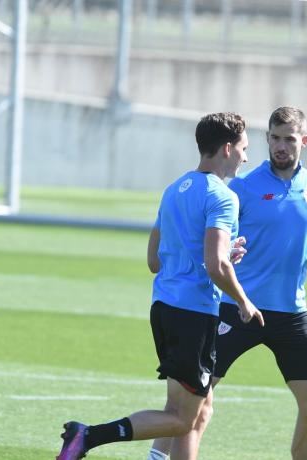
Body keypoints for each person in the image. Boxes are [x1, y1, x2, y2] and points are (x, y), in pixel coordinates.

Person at [149, 106, 307, 460]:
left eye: (289, 139)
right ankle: (157, 456)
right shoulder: (241, 187)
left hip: (290, 312)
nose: (280, 146)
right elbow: (213, 238)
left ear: (303, 141)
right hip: (237, 308)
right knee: (195, 402)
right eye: (274, 138)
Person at [55, 112, 264, 460]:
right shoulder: (224, 197)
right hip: (194, 314)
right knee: (185, 420)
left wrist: (214, 257)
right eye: (244, 149)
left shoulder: (174, 189)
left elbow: (154, 260)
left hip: (164, 306)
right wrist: (243, 301)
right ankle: (87, 436)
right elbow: (216, 265)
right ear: (227, 148)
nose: (246, 157)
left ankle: (101, 440)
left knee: (182, 408)